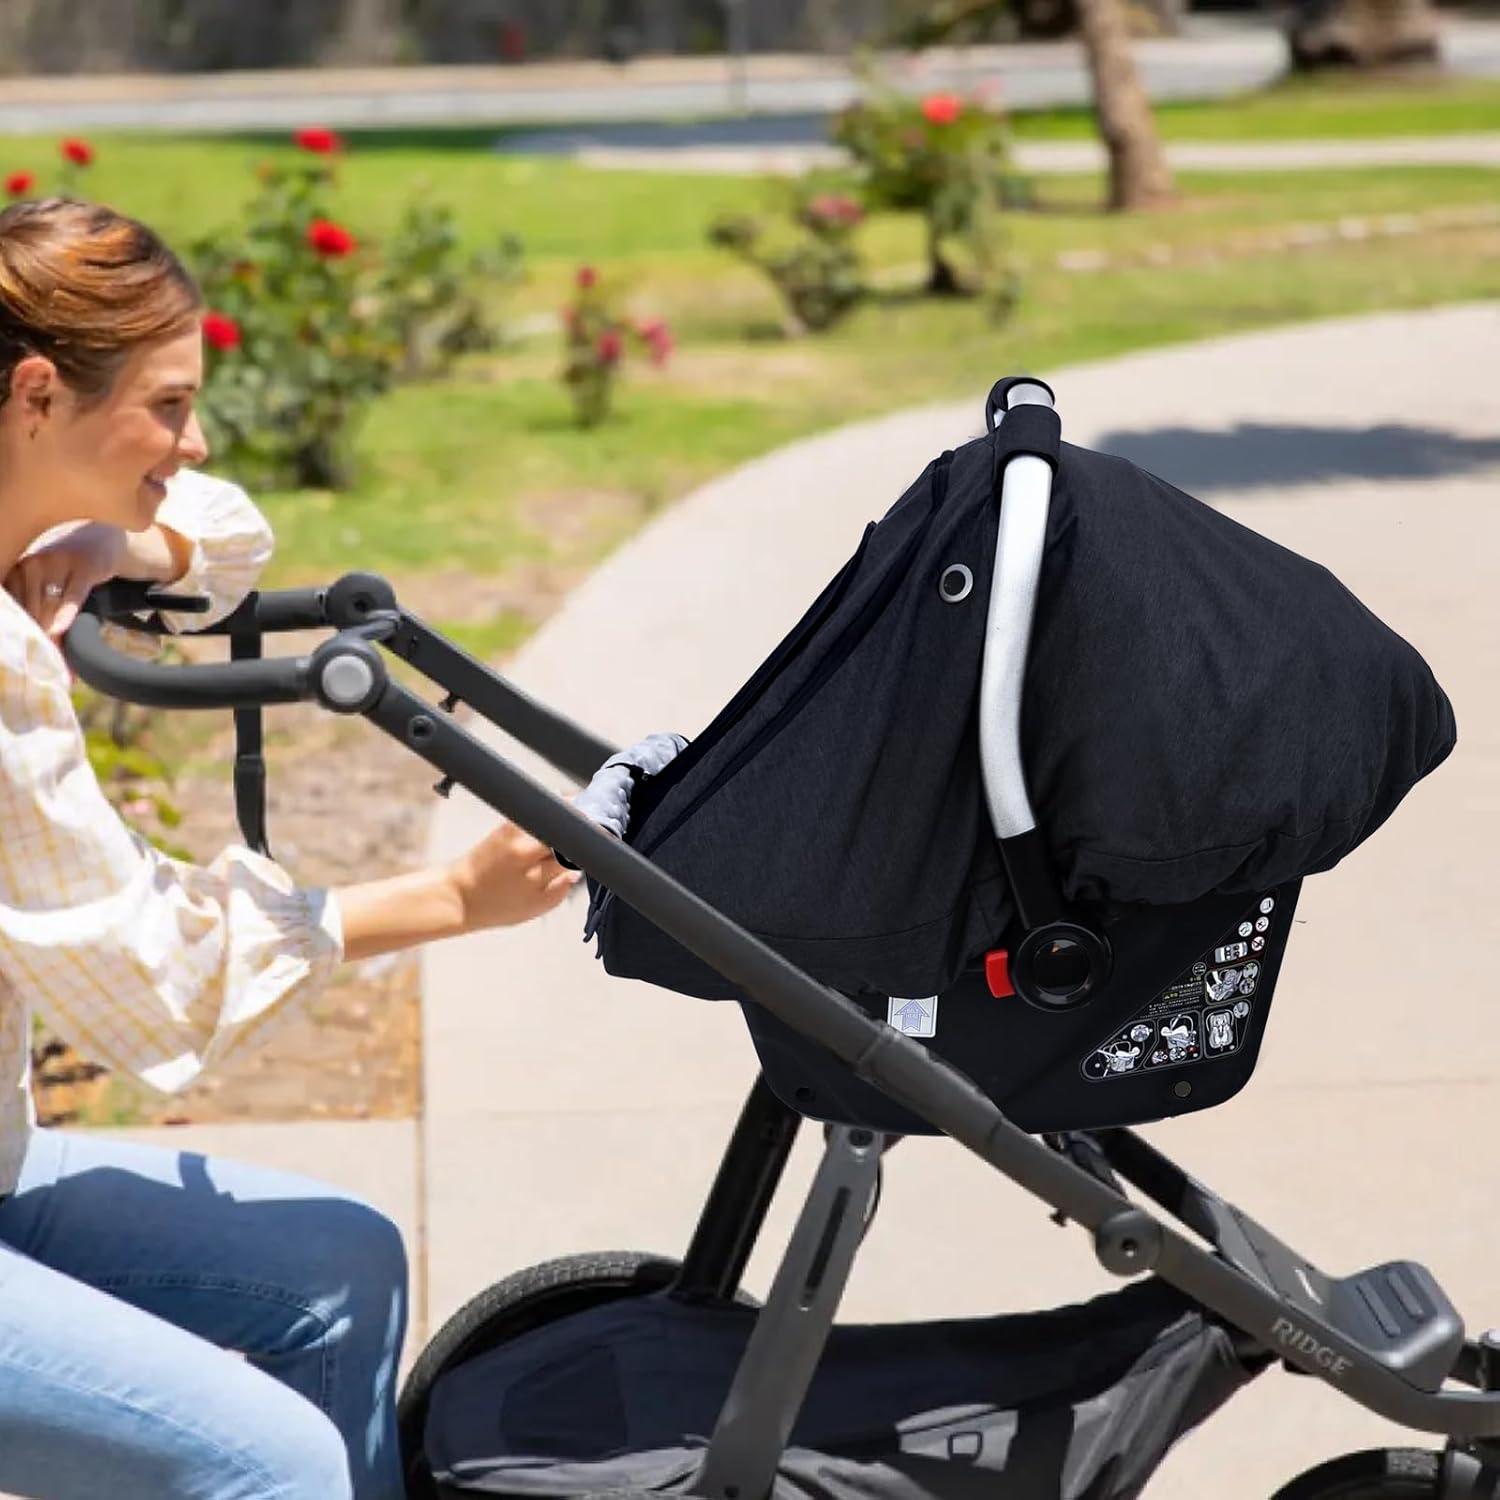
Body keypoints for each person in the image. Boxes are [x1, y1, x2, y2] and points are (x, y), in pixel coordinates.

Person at [0, 197, 578, 1499]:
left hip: (3, 1161)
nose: (192, 438)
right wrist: (449, 899)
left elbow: (228, 528)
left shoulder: (25, 528)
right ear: (39, 392)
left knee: (348, 1263)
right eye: (165, 405)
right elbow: (158, 989)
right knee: (271, 1464)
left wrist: (116, 536)